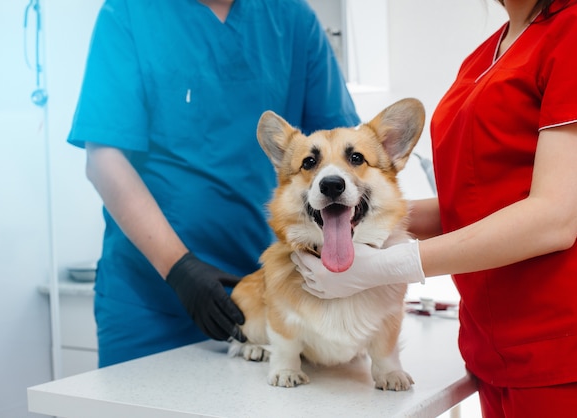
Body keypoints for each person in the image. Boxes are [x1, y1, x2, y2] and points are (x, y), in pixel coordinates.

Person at [294, 0, 577, 416]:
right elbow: (473, 205)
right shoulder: (487, 54)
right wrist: (360, 213)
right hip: (494, 348)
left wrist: (387, 267)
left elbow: (554, 217)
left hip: (572, 350)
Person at [67, 0, 360, 368]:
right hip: (150, 304)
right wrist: (180, 269)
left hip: (266, 298)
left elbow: (342, 149)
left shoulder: (292, 19)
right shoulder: (129, 13)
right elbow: (103, 159)